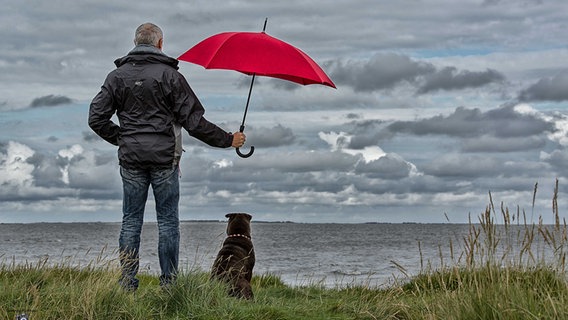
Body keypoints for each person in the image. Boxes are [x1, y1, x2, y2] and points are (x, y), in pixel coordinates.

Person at [88, 22, 246, 291]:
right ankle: (169, 285)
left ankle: (127, 283)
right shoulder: (171, 77)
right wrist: (228, 140)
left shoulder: (116, 77)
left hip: (131, 159)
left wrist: (124, 139)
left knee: (131, 220)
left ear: (135, 42)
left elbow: (96, 118)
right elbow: (194, 123)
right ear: (161, 44)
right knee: (168, 221)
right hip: (165, 160)